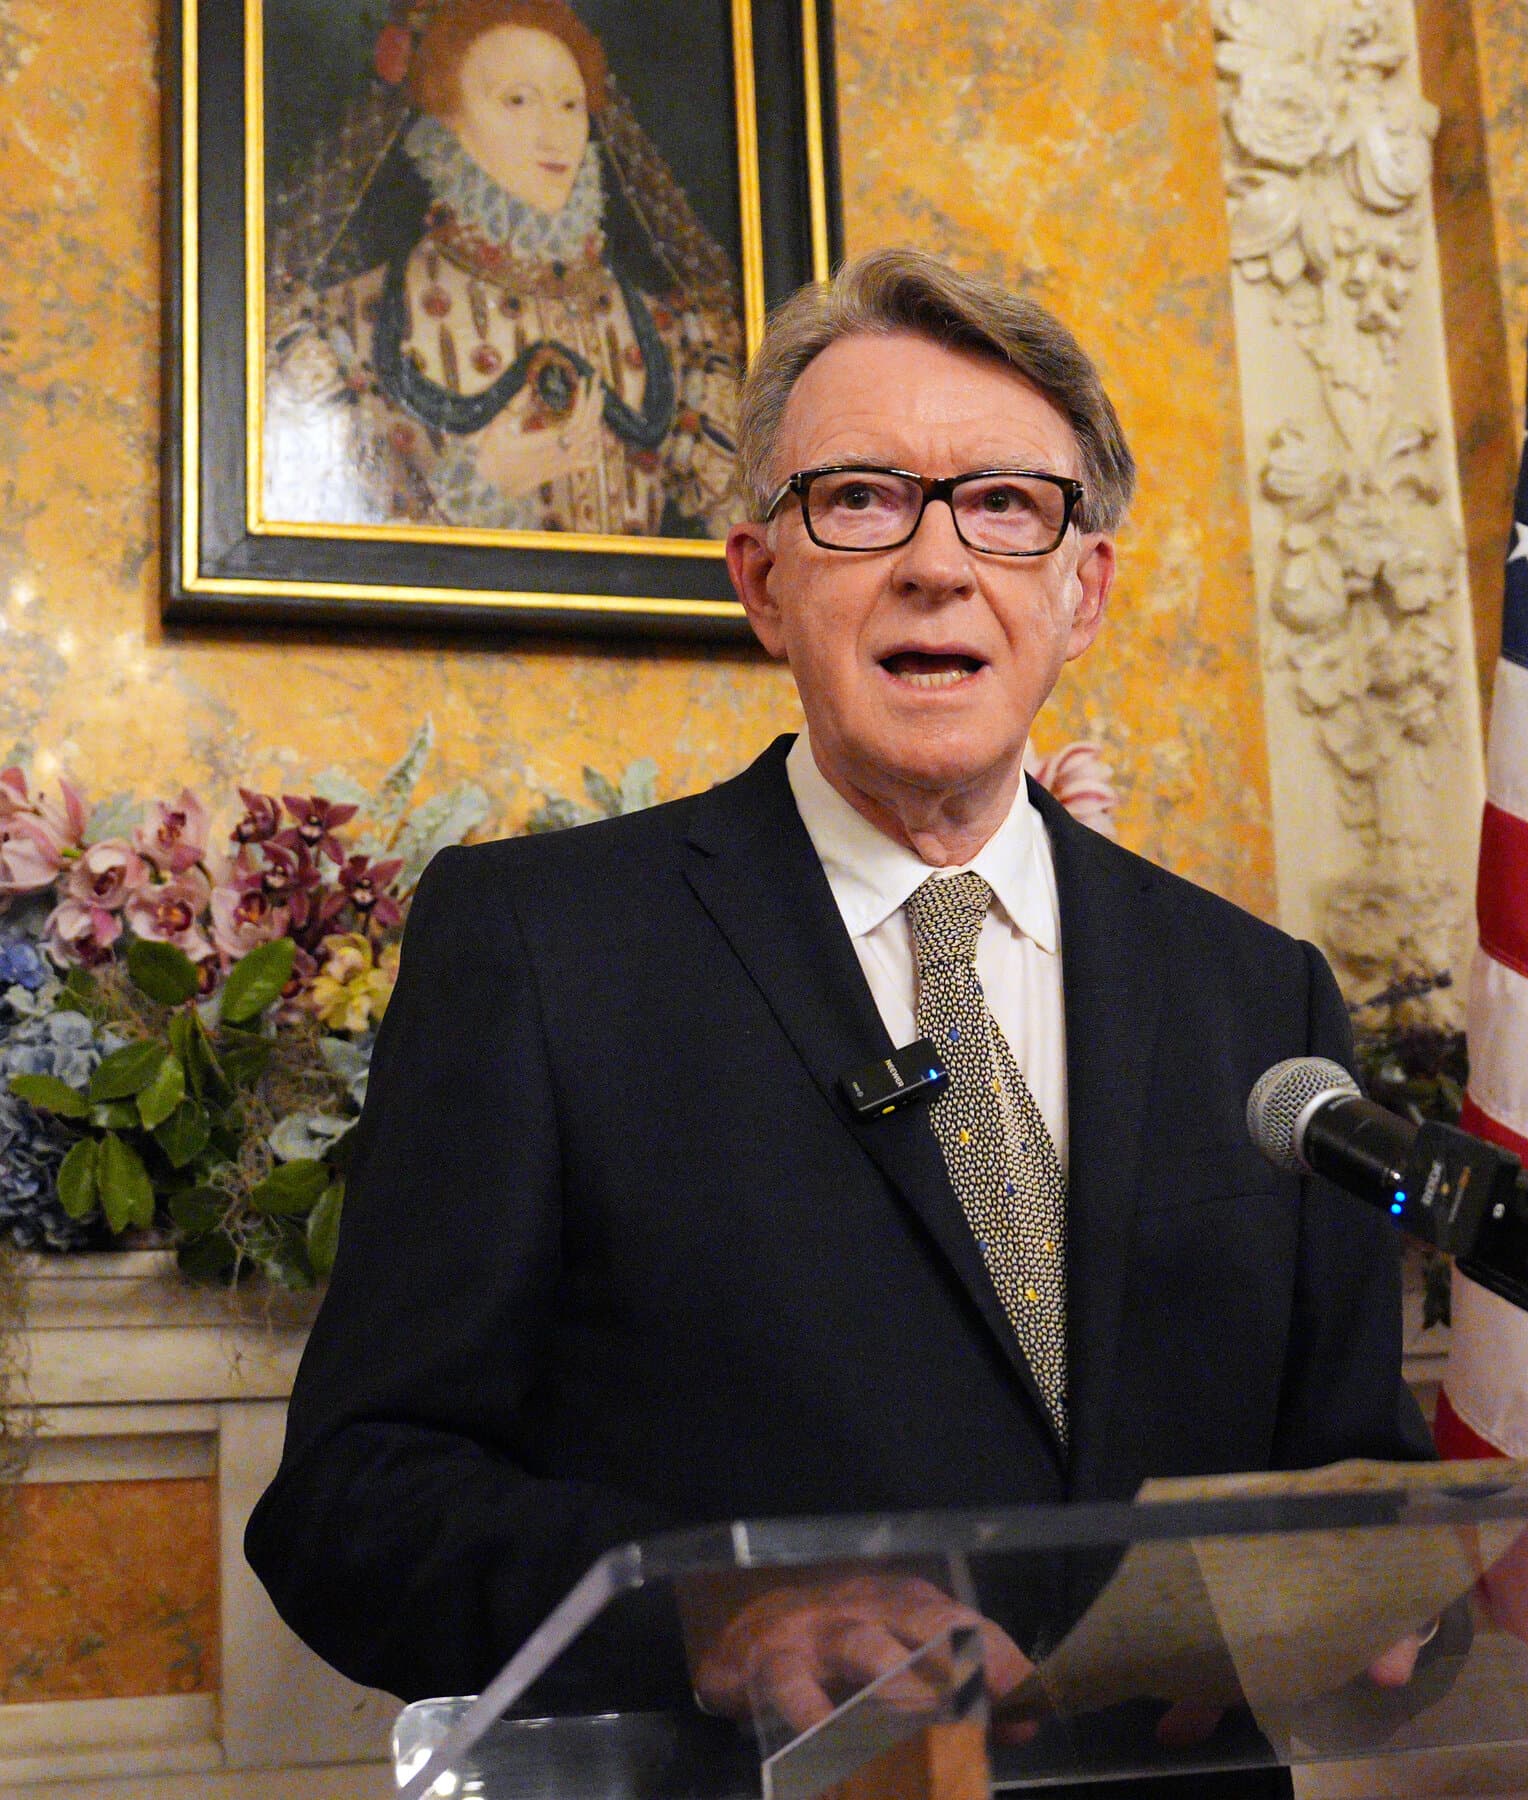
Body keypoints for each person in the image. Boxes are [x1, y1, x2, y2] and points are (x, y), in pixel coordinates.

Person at [246, 248, 1434, 1789]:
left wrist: (1390, 1625)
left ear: (1083, 591)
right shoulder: (545, 948)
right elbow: (353, 1501)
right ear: (762, 581)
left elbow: (1359, 1494)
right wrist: (711, 1608)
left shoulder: (1259, 992)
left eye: (1006, 506)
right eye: (863, 500)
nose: (938, 565)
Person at [263, 0, 740, 538]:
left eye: (569, 105)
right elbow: (328, 570)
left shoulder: (674, 336)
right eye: (517, 101)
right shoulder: (347, 327)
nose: (555, 134)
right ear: (444, 118)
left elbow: (744, 577)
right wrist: (483, 487)